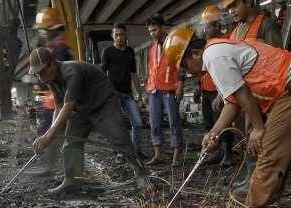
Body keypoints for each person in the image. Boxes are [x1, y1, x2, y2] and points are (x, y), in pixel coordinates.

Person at [164, 27, 291, 208]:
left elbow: (243, 93)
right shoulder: (216, 53)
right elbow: (233, 103)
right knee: (274, 144)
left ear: (195, 53)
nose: (188, 73)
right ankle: (268, 197)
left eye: (185, 66)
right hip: (290, 86)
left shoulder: (213, 56)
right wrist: (214, 133)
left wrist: (258, 128)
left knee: (269, 144)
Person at [28, 48, 148, 194]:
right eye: (37, 74)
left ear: (52, 64)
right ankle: (71, 180)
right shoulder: (50, 79)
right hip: (82, 108)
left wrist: (48, 136)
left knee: (119, 137)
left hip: (103, 104)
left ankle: (140, 173)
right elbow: (59, 106)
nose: (40, 77)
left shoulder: (71, 71)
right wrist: (51, 133)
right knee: (71, 144)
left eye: (41, 72)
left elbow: (67, 107)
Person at [222, 0, 284, 192]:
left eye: (235, 5)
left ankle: (262, 182)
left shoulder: (267, 24)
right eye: (229, 8)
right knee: (248, 137)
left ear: (248, 2)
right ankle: (251, 176)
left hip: (264, 94)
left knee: (260, 136)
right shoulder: (236, 30)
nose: (232, 11)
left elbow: (279, 59)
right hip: (246, 95)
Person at [27, 7, 74, 176]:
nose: (43, 33)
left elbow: (59, 79)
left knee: (50, 132)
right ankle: (51, 164)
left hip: (58, 101)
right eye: (42, 30)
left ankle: (50, 166)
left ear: (54, 29)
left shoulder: (60, 49)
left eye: (45, 30)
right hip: (53, 100)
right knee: (49, 131)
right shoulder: (53, 47)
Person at [101, 23, 145, 160]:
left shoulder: (130, 51)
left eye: (122, 34)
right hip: (114, 94)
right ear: (112, 36)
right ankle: (120, 152)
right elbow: (102, 74)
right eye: (116, 35)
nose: (119, 37)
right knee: (118, 124)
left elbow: (133, 74)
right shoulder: (107, 52)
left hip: (128, 94)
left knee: (137, 123)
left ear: (125, 35)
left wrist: (140, 95)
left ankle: (135, 151)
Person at [144, 14, 184, 167]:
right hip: (154, 90)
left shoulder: (174, 43)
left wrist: (180, 85)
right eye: (150, 31)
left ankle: (176, 155)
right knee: (154, 123)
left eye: (154, 30)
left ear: (162, 28)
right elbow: (152, 69)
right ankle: (158, 154)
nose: (152, 33)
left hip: (169, 89)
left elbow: (180, 65)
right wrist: (148, 89)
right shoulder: (153, 47)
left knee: (174, 122)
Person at [198, 5, 234, 167]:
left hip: (219, 91)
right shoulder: (207, 43)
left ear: (217, 25)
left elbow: (228, 74)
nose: (205, 30)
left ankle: (228, 152)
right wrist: (200, 87)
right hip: (206, 89)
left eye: (207, 26)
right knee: (209, 122)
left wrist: (221, 94)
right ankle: (218, 152)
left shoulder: (227, 41)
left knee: (223, 123)